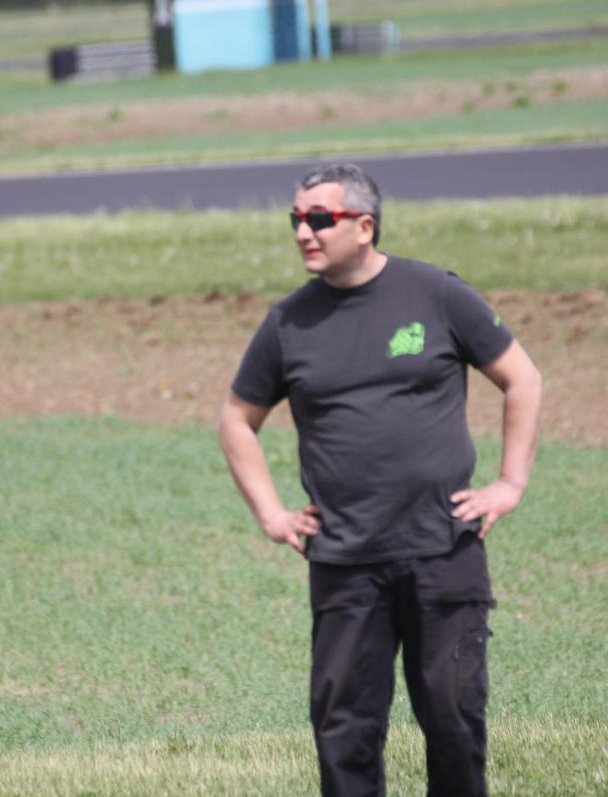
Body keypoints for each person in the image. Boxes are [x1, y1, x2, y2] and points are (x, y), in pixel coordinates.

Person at [218, 163, 541, 797]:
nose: (303, 232)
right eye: (296, 219)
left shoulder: (436, 294)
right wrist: (272, 515)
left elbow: (522, 379)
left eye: (319, 219)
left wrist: (510, 484)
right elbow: (236, 419)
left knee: (453, 720)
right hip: (345, 560)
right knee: (346, 732)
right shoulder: (289, 323)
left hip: (442, 550)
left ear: (364, 226)